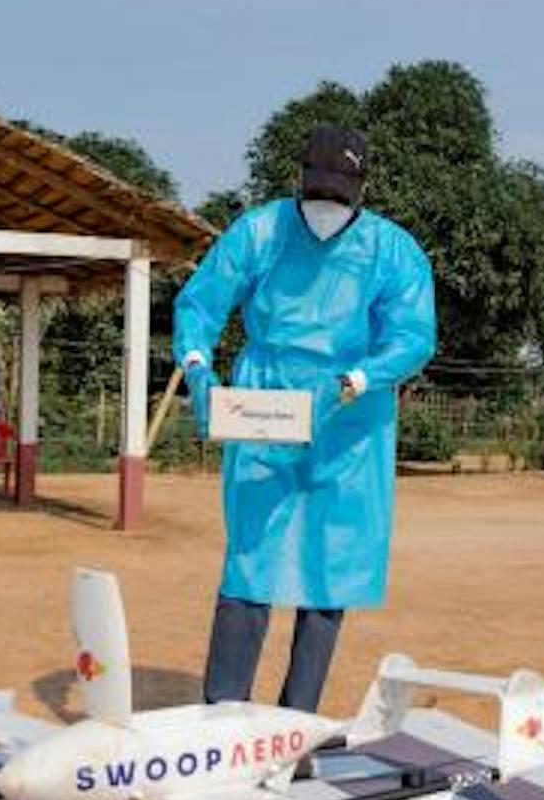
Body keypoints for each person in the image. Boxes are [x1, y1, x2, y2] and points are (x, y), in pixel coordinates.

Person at [173, 124, 435, 716]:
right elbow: (201, 302)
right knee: (252, 552)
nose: (325, 207)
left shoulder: (391, 251)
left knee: (331, 562)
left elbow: (413, 334)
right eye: (318, 191)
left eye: (339, 194)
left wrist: (360, 379)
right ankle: (224, 709)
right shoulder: (260, 231)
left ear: (361, 189)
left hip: (350, 417)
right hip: (265, 402)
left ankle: (297, 722)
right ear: (300, 180)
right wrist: (196, 364)